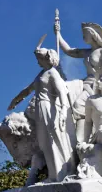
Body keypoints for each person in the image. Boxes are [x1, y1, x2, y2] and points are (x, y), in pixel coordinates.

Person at [7, 35, 76, 182]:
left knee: (52, 140)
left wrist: (63, 111)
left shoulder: (53, 73)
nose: (37, 62)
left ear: (45, 59)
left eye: (39, 59)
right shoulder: (41, 74)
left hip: (49, 109)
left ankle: (60, 174)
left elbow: (62, 93)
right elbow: (28, 89)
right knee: (44, 142)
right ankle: (53, 174)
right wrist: (16, 100)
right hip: (41, 109)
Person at [54, 22, 102, 143]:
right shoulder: (87, 52)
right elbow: (69, 51)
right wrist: (58, 34)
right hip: (87, 83)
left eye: (85, 34)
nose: (83, 37)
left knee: (79, 105)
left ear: (93, 35)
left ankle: (82, 139)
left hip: (99, 84)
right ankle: (79, 139)